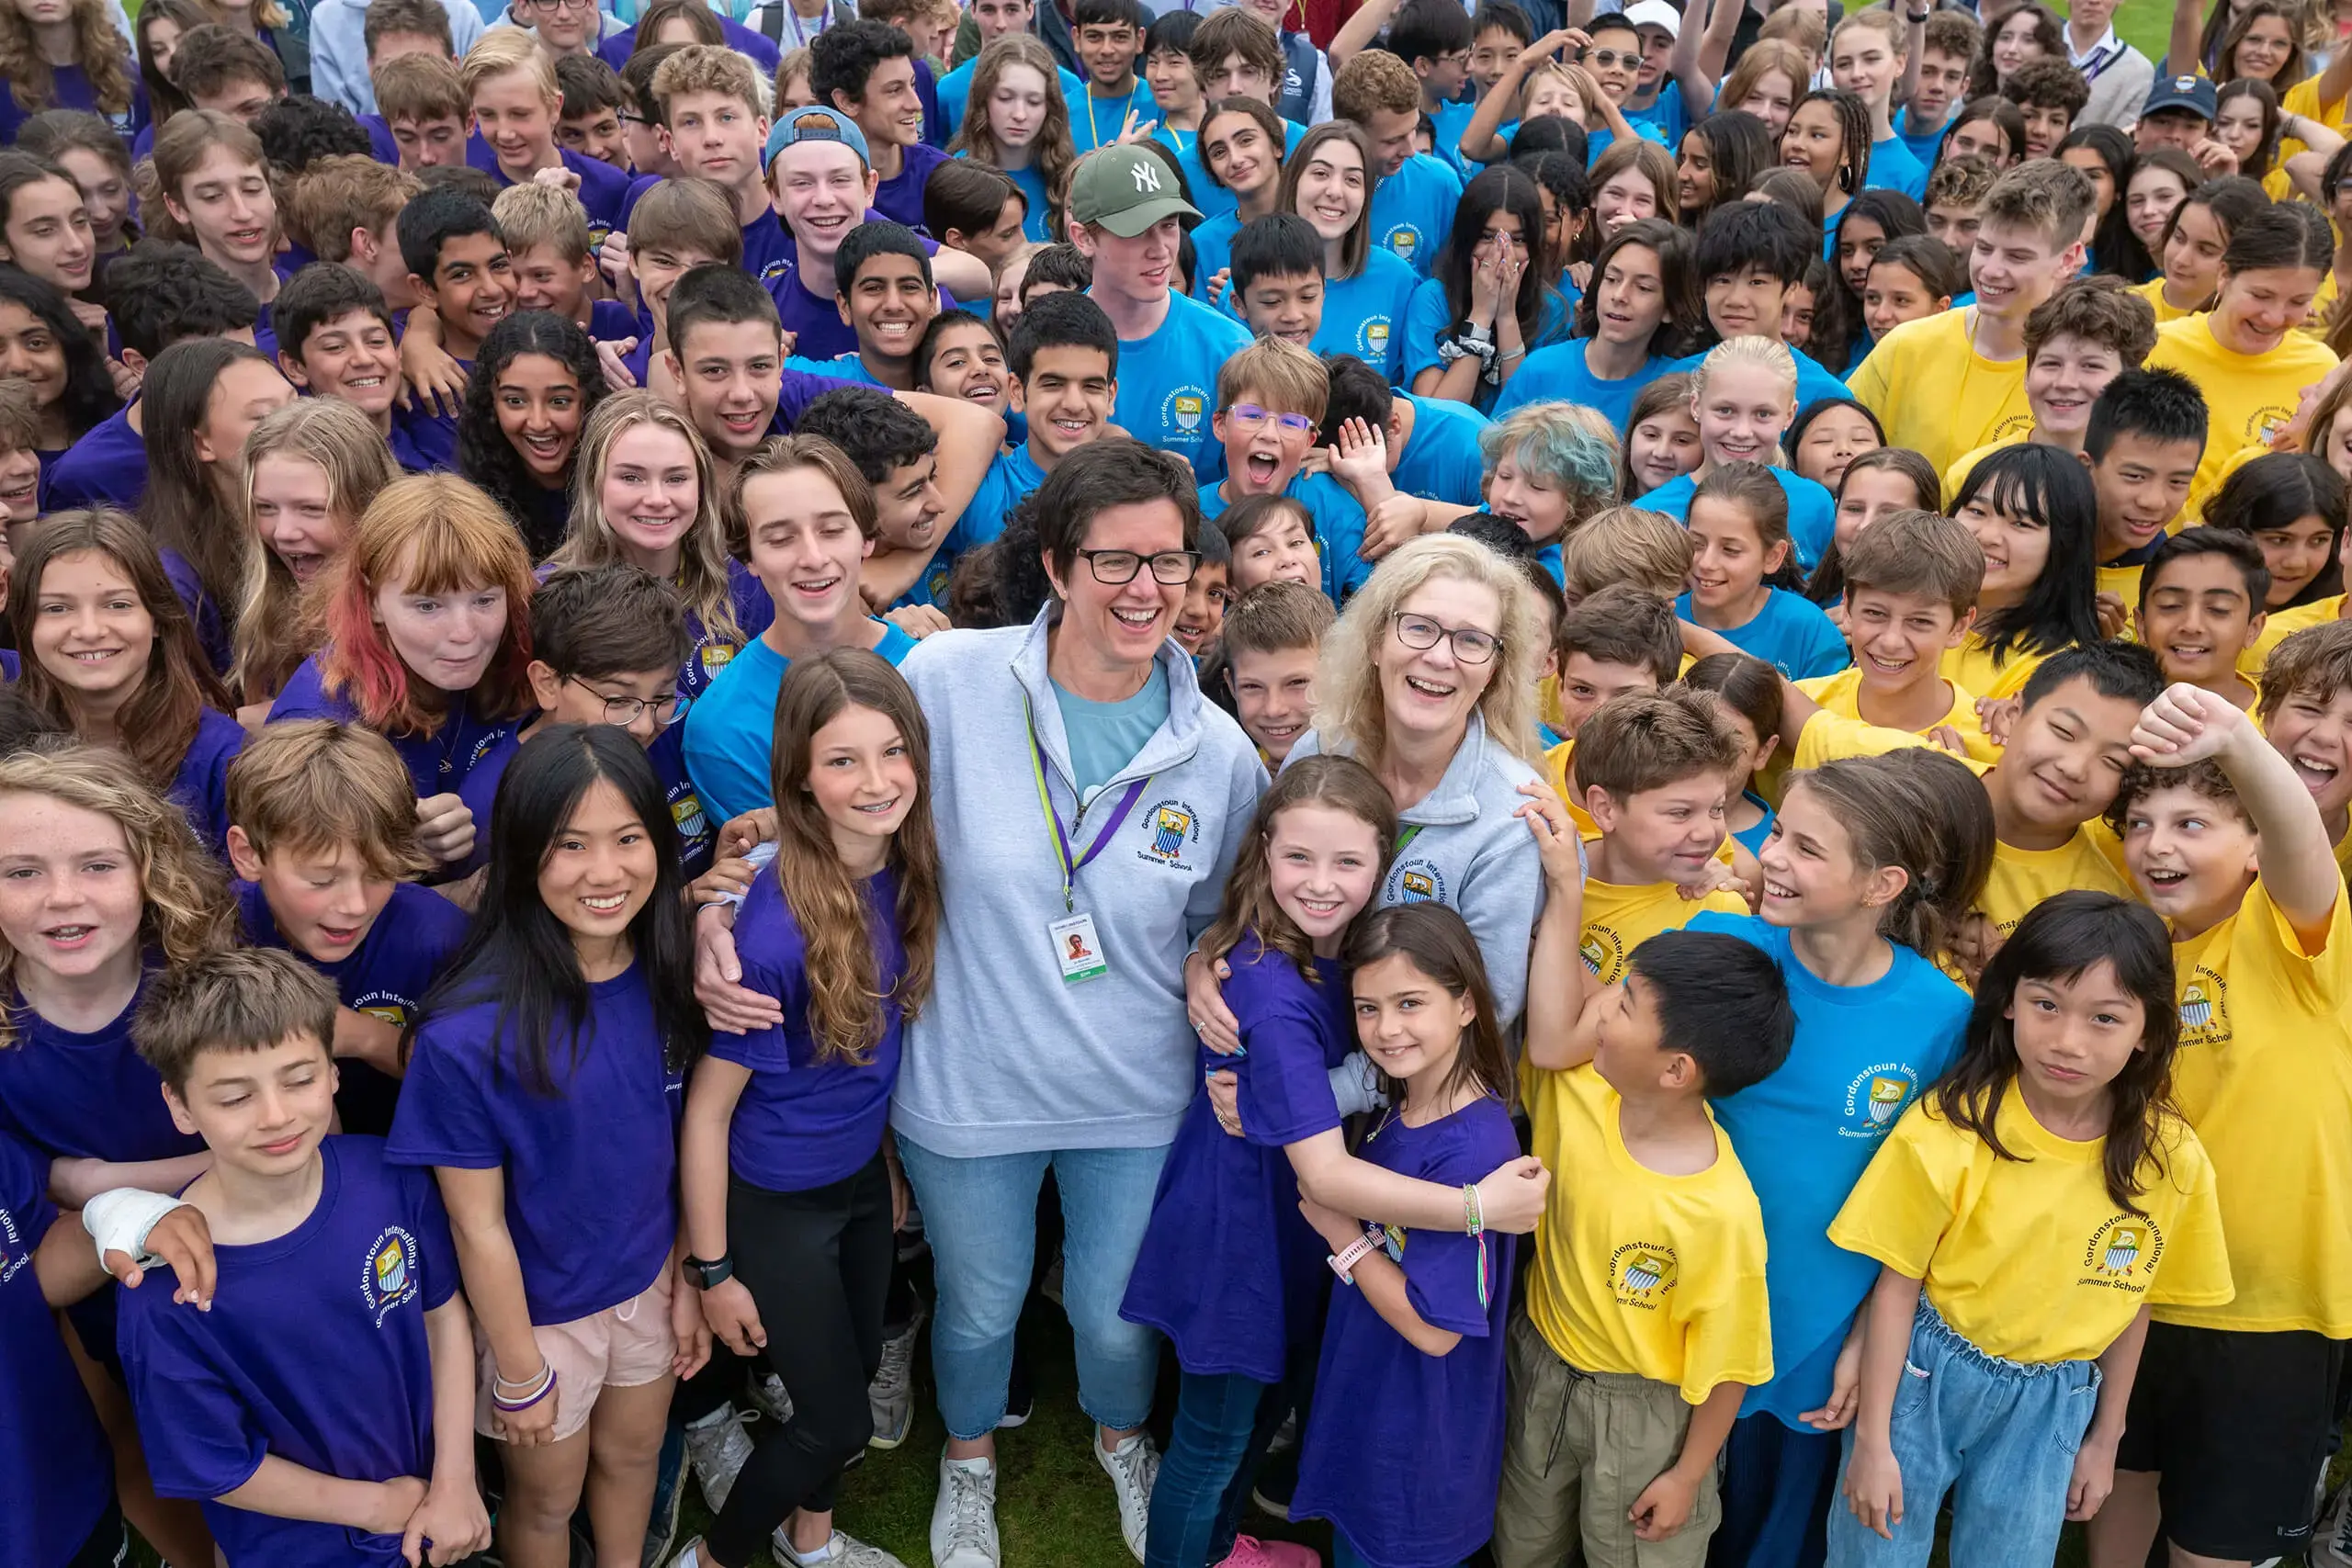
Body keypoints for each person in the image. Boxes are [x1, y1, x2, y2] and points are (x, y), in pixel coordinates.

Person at [693, 438, 1263, 1568]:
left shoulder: (1223, 756)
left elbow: (1220, 920)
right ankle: (967, 1464)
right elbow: (841, 807)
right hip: (965, 1088)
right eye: (1114, 561)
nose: (1146, 589)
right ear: (1055, 567)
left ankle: (1116, 1436)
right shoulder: (951, 680)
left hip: (1132, 1094)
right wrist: (718, 896)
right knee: (978, 1306)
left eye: (1170, 561)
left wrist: (1210, 962)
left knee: (1110, 1314)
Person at [1125, 756, 1540, 1568]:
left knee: (1244, 1418)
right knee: (1212, 1437)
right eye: (1299, 858)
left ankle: (1221, 1547)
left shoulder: (1339, 958)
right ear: (1262, 856)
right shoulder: (1275, 995)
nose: (1322, 882)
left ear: (1383, 863)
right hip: (1242, 1240)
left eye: (1349, 862)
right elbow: (1321, 1180)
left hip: (1275, 1236)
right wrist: (1477, 1210)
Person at [1827, 892, 2232, 1568]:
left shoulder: (2171, 1160)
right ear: (2008, 999)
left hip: (2054, 1398)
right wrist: (1873, 1443)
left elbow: (2135, 1302)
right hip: (1924, 1374)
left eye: (2105, 1017)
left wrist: (2105, 1440)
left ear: (2148, 1032)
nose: (2068, 1041)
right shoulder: (1949, 1126)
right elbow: (1897, 1286)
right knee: (1875, 1552)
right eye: (2046, 1004)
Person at [388, 725, 708, 1568]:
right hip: (540, 1318)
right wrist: (522, 1365)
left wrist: (681, 1277)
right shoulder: (465, 1034)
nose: (605, 873)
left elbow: (673, 1141)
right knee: (545, 1499)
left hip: (647, 1283)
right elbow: (476, 1226)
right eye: (570, 845)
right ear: (524, 854)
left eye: (628, 839)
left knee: (635, 1456)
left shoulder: (669, 966)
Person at [1686, 751, 1988, 1568]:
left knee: (1775, 1542)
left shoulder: (1941, 1013)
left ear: (1881, 884)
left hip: (1818, 1337)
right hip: (1684, 1315)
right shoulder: (1717, 943)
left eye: (1807, 848)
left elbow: (1927, 1203)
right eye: (1777, 832)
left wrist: (1864, 1337)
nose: (1773, 856)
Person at [669, 649, 931, 1568]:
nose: (875, 782)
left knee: (854, 1372)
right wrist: (715, 1273)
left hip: (857, 1176)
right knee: (832, 1422)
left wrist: (887, 1167)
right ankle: (713, 1561)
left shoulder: (904, 868)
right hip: (775, 1203)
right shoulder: (769, 930)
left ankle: (809, 1545)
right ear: (800, 778)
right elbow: (707, 1113)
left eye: (892, 752)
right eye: (842, 761)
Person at [112, 947, 490, 1566]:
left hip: (436, 1512)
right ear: (181, 1105)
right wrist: (378, 1506)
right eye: (235, 1097)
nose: (277, 1114)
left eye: (299, 1078)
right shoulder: (166, 1289)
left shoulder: (388, 1176)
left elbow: (442, 1315)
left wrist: (455, 1479)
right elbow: (220, 1464)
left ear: (333, 1071)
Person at [2091, 682, 2352, 1568]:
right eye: (2142, 824)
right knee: (2120, 1503)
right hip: (2132, 1296)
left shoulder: (2294, 940)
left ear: (2256, 850)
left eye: (2193, 824)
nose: (2157, 844)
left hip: (2267, 1314)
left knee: (2218, 1548)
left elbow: (2301, 840)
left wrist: (2238, 740)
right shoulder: (2136, 957)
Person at [1498, 877, 1795, 1568]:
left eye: (1624, 1004)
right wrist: (1560, 883)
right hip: (1541, 1368)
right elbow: (1558, 1001)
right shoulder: (1579, 1087)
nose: (1601, 1008)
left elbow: (1729, 1365)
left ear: (1677, 1068)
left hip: (1646, 1418)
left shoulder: (1720, 1211)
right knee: (1522, 1546)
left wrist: (1689, 1474)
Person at [1288, 903, 1526, 1568]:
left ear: (1468, 1005)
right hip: (1375, 1391)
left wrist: (1344, 1233)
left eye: (1410, 1002)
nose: (1386, 1029)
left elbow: (1434, 1328)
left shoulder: (1471, 1147)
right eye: (1368, 1008)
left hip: (1417, 1431)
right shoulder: (1408, 1103)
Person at [265, 473, 535, 875]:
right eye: (428, 606)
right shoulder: (319, 715)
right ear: (372, 601)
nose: (464, 633)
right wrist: (388, 845)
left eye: (484, 600)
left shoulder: (527, 642)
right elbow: (289, 887)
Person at [10, 510, 247, 855]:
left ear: (157, 619)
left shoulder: (222, 759)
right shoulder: (9, 741)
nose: (90, 630)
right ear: (26, 625)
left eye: (118, 605)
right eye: (57, 609)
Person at [1849, 160, 2096, 479]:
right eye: (1984, 247)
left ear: (2069, 259)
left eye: (2017, 256)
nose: (1990, 270)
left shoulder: (2083, 381)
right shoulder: (1906, 345)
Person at [2144, 201, 2340, 520]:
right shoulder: (2155, 348)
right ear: (2225, 275)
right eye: (2261, 295)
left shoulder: (2321, 372)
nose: (2274, 317)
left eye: (2298, 302)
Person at [1073, 143, 1254, 472]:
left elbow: (1249, 496)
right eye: (1137, 232)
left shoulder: (1231, 347)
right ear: (1084, 238)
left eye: (1169, 225)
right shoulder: (1048, 344)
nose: (1160, 250)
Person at [1796, 509, 1998, 762]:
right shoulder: (1800, 704)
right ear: (1847, 607)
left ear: (1959, 627)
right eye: (1875, 613)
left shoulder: (1990, 745)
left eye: (1920, 621)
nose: (1891, 641)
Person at [1641, 335, 1836, 572]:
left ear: (1789, 415)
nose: (1742, 432)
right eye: (1725, 410)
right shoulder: (1649, 516)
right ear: (1696, 406)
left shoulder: (1814, 503)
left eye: (1763, 414)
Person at [1491, 217, 1701, 430]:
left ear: (1671, 309)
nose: (1619, 296)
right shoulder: (1540, 369)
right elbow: (1493, 456)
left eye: (1643, 288)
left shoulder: (1676, 389)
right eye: (1611, 279)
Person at [1943, 443, 2105, 705]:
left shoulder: (2057, 671)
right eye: (1976, 511)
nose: (1987, 536)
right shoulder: (1901, 611)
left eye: (2021, 523)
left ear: (2064, 545)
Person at [1402, 163, 1567, 411]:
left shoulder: (1552, 311)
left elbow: (1524, 415)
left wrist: (1506, 317)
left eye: (1518, 239)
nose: (1501, 253)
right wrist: (1481, 314)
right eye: (1488, 236)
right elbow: (1434, 414)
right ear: (1466, 239)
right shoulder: (1432, 298)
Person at [1677, 461, 1847, 680]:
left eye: (1730, 550)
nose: (1706, 563)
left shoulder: (1808, 630)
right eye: (1697, 543)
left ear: (1773, 556)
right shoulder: (1662, 621)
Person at [457, 309, 604, 558]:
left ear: (586, 401)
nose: (538, 422)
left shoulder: (619, 479)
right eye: (515, 401)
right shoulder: (472, 502)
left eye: (559, 401)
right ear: (490, 403)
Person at [458, 29, 630, 243]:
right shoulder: (469, 200)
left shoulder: (610, 187)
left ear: (554, 108)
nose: (505, 133)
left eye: (519, 114)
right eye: (488, 115)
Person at [2085, 369, 2207, 615]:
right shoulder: (2031, 544)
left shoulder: (2176, 567)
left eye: (2177, 482)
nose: (2153, 502)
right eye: (2135, 477)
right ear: (2086, 467)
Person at [1334, 49, 1463, 278]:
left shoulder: (1441, 184)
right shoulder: (1312, 190)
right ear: (1348, 131)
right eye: (1392, 141)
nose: (1411, 151)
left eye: (1412, 130)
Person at [811, 19, 949, 230]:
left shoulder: (941, 176)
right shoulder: (814, 194)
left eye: (912, 85)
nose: (916, 104)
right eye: (895, 90)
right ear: (847, 101)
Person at [951, 36, 1075, 246]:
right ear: (984, 99)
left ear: (1049, 107)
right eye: (1005, 98)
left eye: (1034, 102)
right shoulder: (958, 179)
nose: (1019, 114)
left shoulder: (1064, 174)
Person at [2205, 452, 2346, 613]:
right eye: (2280, 540)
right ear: (2235, 531)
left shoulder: (2340, 617)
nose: (2296, 562)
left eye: (2319, 540)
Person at [1217, 578, 1332, 766]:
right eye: (1252, 686)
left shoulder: (1369, 770)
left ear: (1338, 674)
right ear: (1231, 685)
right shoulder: (1238, 771)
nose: (1274, 709)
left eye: (1297, 682)